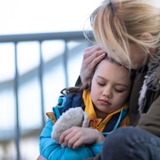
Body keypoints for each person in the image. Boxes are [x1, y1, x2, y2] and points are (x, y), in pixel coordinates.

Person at [79, 0, 160, 159]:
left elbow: (140, 139)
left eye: (115, 48)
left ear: (144, 40)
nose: (110, 55)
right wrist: (85, 82)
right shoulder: (139, 64)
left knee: (121, 142)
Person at [39, 55, 133, 160]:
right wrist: (88, 151)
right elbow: (46, 146)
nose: (107, 93)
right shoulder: (66, 106)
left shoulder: (129, 122)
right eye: (101, 83)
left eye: (119, 89)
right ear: (90, 80)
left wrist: (98, 139)